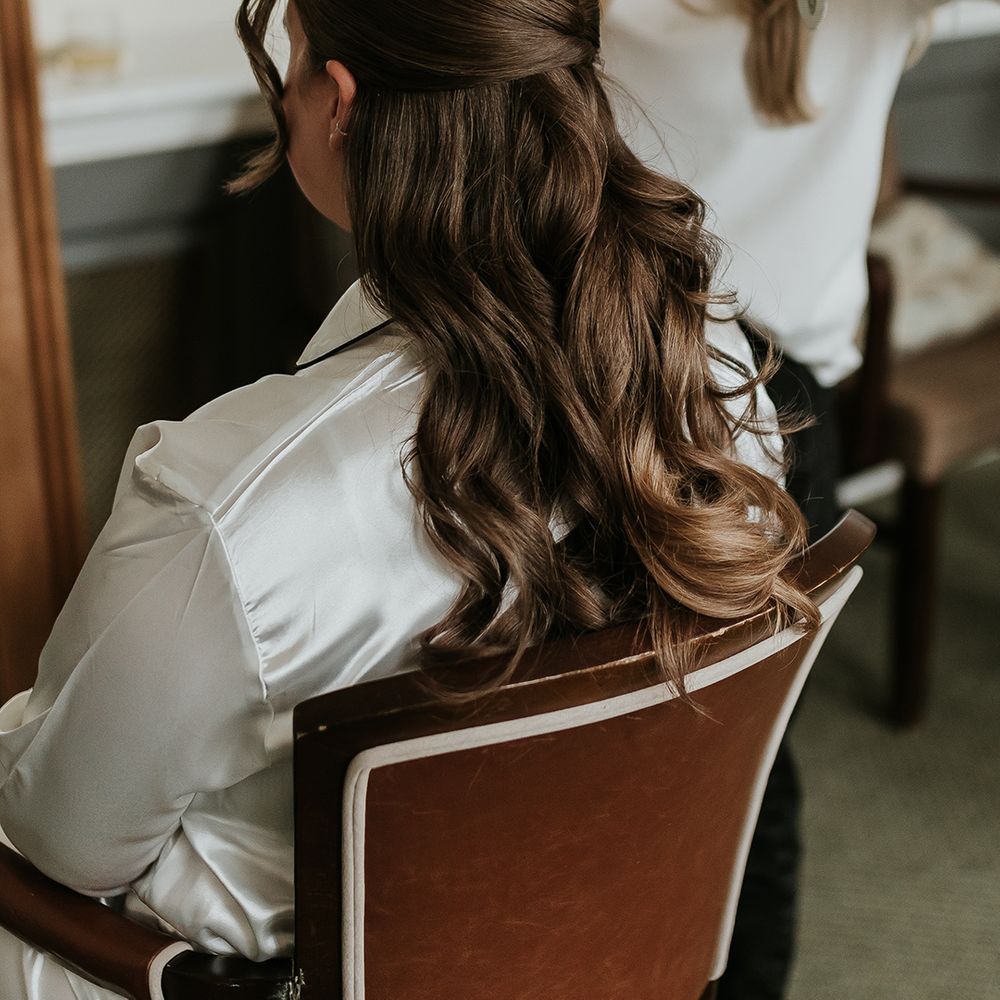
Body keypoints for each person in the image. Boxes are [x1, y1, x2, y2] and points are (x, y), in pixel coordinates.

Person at [0, 1, 818, 996]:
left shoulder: (228, 508)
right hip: (592, 955)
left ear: (337, 104)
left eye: (291, 58)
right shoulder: (721, 376)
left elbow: (61, 844)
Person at [600, 1, 982, 996]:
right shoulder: (863, 13)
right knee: (744, 757)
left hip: (633, 394)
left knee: (643, 749)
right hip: (780, 416)